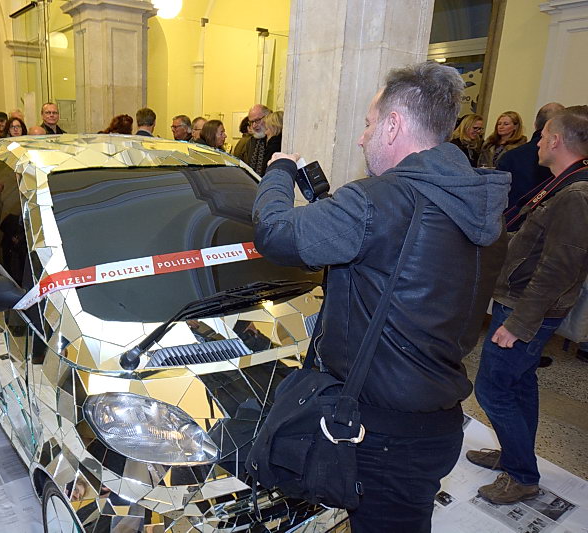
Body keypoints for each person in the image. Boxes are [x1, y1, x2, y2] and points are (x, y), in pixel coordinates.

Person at [252, 61, 510, 532]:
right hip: (434, 419)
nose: (361, 138)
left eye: (369, 124)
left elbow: (276, 233)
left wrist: (279, 172)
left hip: (383, 433)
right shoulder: (477, 201)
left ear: (393, 125)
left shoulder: (378, 199)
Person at [469, 106, 588, 505]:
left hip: (526, 308)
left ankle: (521, 476)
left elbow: (559, 269)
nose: (537, 143)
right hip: (521, 302)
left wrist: (519, 323)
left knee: (493, 389)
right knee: (519, 385)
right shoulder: (564, 186)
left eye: (543, 136)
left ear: (556, 140)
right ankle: (513, 455)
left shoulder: (576, 195)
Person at [498, 102, 565, 211]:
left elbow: (497, 197)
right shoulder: (568, 159)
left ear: (535, 124)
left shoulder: (510, 157)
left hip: (512, 217)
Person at [234, 104, 271, 176]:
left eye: (257, 120)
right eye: (251, 122)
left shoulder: (275, 141)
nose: (254, 125)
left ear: (268, 117)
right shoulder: (250, 142)